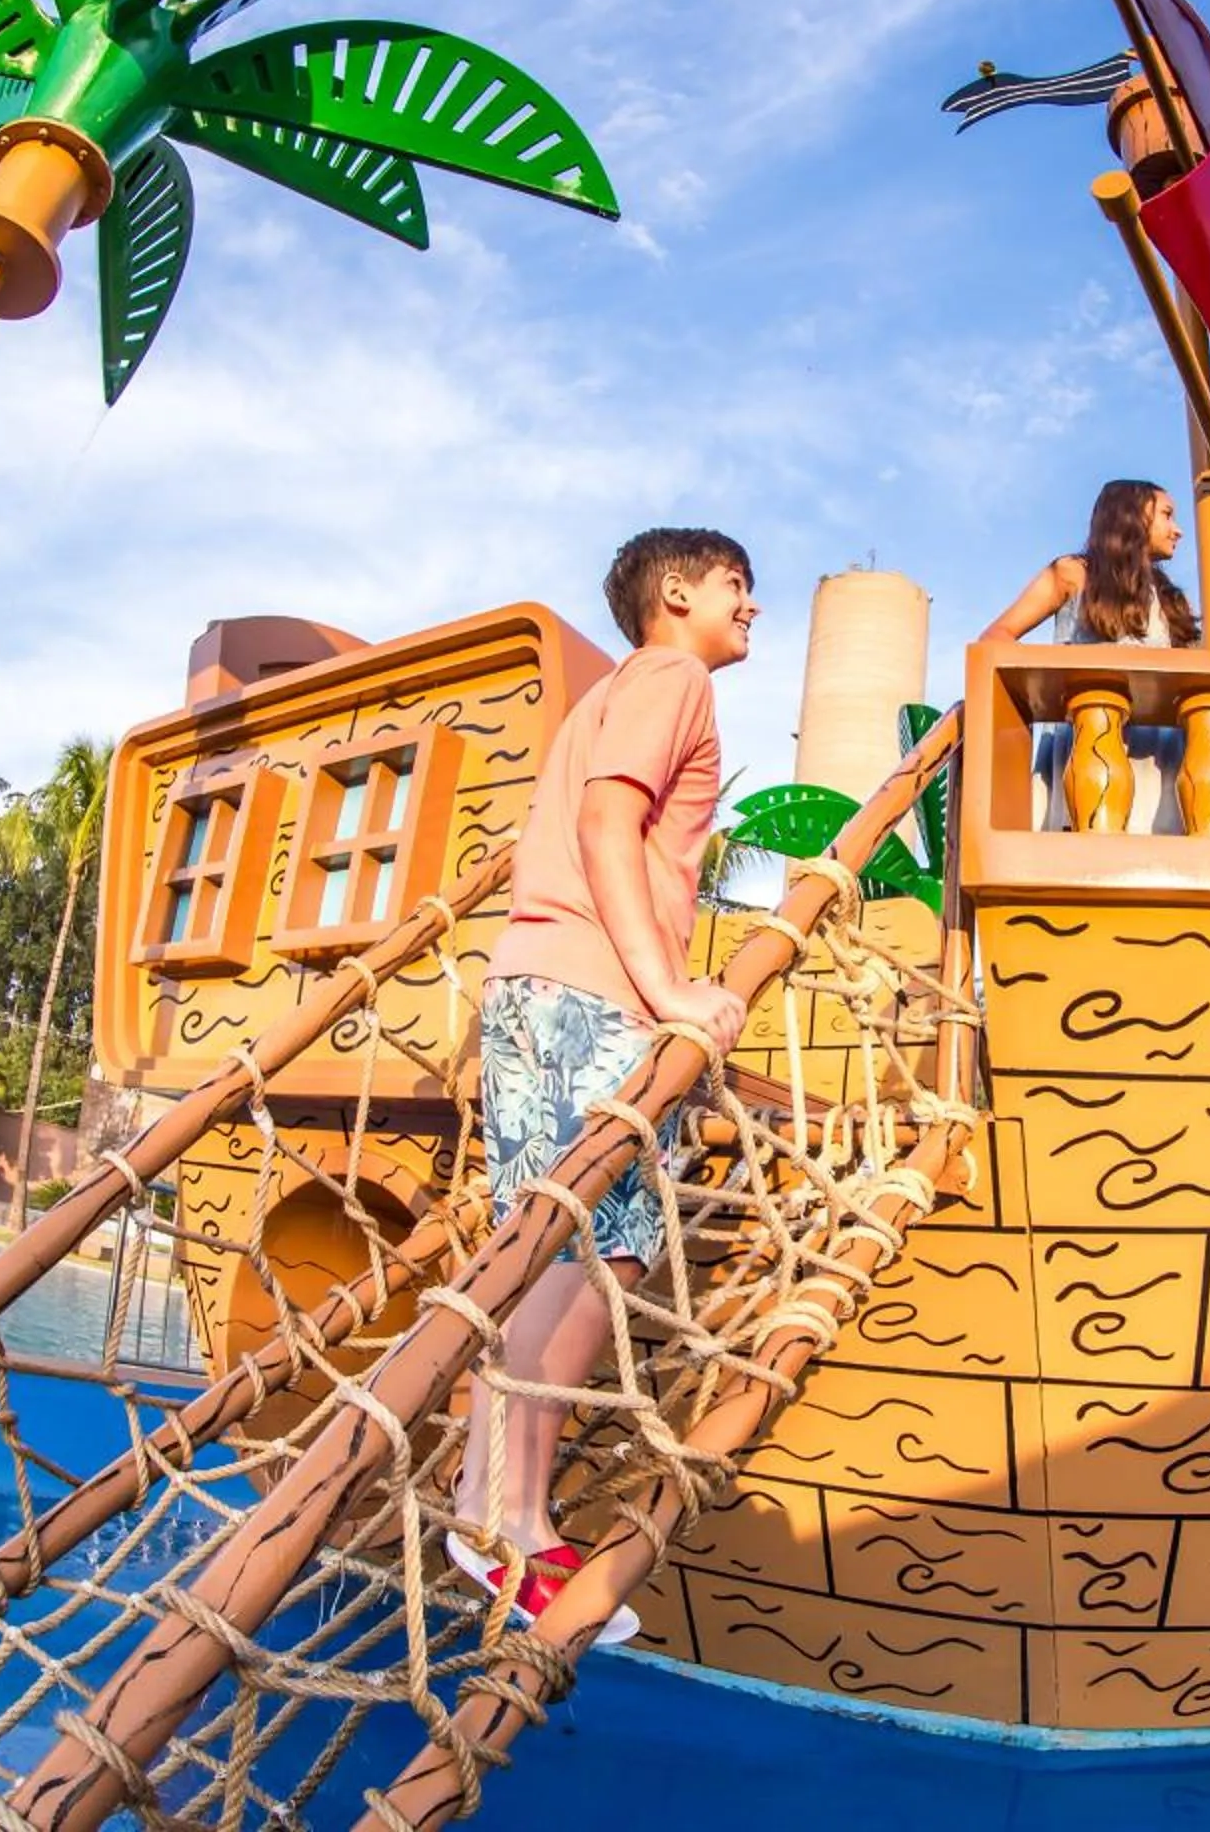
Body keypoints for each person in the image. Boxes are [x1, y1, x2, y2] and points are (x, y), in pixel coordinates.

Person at [446, 526, 757, 1642]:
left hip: (550, 985)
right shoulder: (672, 674)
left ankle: (496, 1508)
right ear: (676, 591)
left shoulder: (619, 690)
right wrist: (670, 985)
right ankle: (505, 1514)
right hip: (591, 992)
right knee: (588, 1251)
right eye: (737, 586)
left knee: (565, 1249)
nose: (751, 607)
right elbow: (605, 820)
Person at [982, 477, 1196, 832]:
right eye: (1168, 515)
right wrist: (1043, 685)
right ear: (1134, 515)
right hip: (1086, 744)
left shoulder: (1173, 601)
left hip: (1155, 754)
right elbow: (996, 637)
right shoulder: (1072, 574)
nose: (1178, 530)